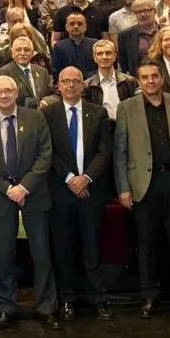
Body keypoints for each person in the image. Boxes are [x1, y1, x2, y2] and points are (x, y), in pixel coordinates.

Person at [114, 61, 170, 319]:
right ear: (138, 82)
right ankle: (149, 295)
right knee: (146, 243)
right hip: (143, 185)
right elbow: (120, 152)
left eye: (155, 76)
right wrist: (123, 188)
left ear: (162, 78)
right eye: (145, 77)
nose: (151, 81)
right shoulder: (126, 108)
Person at [0, 76, 58, 329]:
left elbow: (45, 154)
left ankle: (46, 307)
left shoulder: (35, 117)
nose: (3, 95)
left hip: (34, 196)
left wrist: (24, 186)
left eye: (8, 90)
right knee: (5, 256)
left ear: (16, 91)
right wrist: (7, 189)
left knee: (41, 255)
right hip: (1, 199)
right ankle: (6, 308)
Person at [42, 67, 114, 321]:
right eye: (66, 81)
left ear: (83, 85)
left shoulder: (98, 113)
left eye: (76, 81)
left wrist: (86, 179)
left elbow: (106, 151)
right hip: (61, 191)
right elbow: (47, 151)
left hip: (92, 190)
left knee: (93, 246)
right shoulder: (47, 114)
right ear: (58, 85)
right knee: (64, 248)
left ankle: (99, 298)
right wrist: (71, 179)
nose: (71, 85)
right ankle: (67, 299)